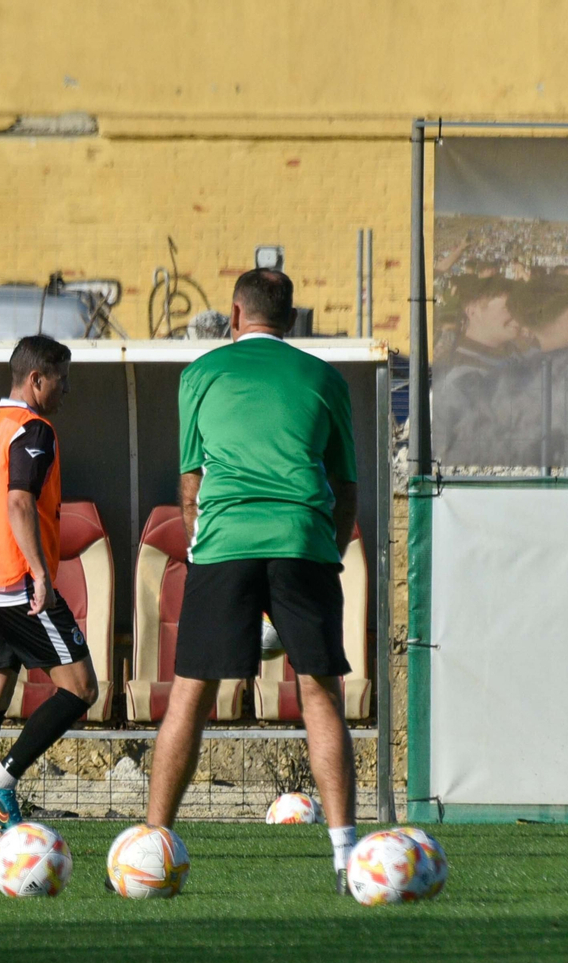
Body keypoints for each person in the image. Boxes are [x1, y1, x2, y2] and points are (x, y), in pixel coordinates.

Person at [145, 268, 359, 893]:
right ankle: (346, 856)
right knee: (320, 693)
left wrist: (204, 546)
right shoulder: (325, 378)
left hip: (226, 542)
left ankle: (152, 844)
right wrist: (329, 551)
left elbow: (191, 484)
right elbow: (345, 488)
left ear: (234, 315)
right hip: (303, 541)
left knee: (192, 694)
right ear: (291, 320)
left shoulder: (200, 375)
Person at [0, 335, 100, 838]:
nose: (65, 390)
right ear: (37, 380)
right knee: (81, 688)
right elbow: (16, 503)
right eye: (62, 379)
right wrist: (42, 573)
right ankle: (1, 779)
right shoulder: (35, 430)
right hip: (14, 582)